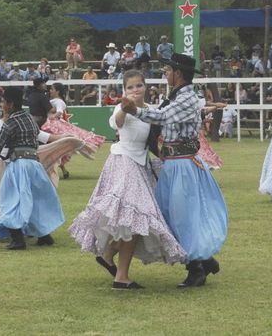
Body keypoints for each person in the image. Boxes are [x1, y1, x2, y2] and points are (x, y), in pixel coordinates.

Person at [69, 69, 186, 289]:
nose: (135, 90)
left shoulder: (152, 110)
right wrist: (123, 107)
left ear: (145, 86)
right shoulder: (122, 107)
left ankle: (110, 255)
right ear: (125, 90)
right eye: (130, 87)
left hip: (141, 165)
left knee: (134, 220)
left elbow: (157, 134)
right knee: (132, 218)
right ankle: (121, 275)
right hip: (123, 162)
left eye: (138, 85)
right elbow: (117, 122)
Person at [120, 53, 228, 288]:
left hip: (182, 163)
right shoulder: (179, 95)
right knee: (172, 214)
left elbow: (163, 116)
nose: (165, 74)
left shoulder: (186, 97)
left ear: (178, 73)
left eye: (167, 71)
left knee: (182, 216)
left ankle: (197, 268)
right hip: (174, 163)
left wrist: (135, 111)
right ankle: (203, 259)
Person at [0, 87, 65, 250]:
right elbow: (41, 137)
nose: (1, 104)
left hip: (18, 166)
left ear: (10, 104)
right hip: (34, 165)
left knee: (11, 202)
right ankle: (44, 236)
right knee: (36, 201)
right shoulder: (30, 119)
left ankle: (18, 240)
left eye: (3, 102)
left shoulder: (9, 124)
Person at [42, 83, 106, 179]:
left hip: (53, 126)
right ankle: (62, 170)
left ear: (57, 91)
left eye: (52, 89)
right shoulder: (54, 100)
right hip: (52, 125)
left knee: (54, 147)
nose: (50, 90)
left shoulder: (59, 101)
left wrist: (51, 117)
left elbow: (59, 112)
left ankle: (56, 170)